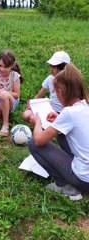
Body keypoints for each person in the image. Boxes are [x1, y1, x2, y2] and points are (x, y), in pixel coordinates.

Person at [28, 63, 89, 201]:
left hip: (84, 179)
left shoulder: (69, 112)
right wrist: (58, 119)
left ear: (60, 91)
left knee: (33, 143)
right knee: (61, 133)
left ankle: (65, 186)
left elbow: (39, 140)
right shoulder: (85, 106)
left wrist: (37, 121)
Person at [22, 51, 71, 122]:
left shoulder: (70, 82)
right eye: (50, 65)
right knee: (25, 115)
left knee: (35, 120)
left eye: (54, 67)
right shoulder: (50, 78)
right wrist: (29, 108)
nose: (51, 69)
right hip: (49, 108)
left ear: (63, 68)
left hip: (62, 113)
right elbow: (39, 95)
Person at [0, 50, 23, 137]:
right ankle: (1, 113)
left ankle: (5, 124)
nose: (2, 69)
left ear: (12, 66)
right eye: (0, 65)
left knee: (3, 95)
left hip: (11, 101)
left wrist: (5, 92)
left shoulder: (14, 76)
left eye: (5, 67)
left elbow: (17, 95)